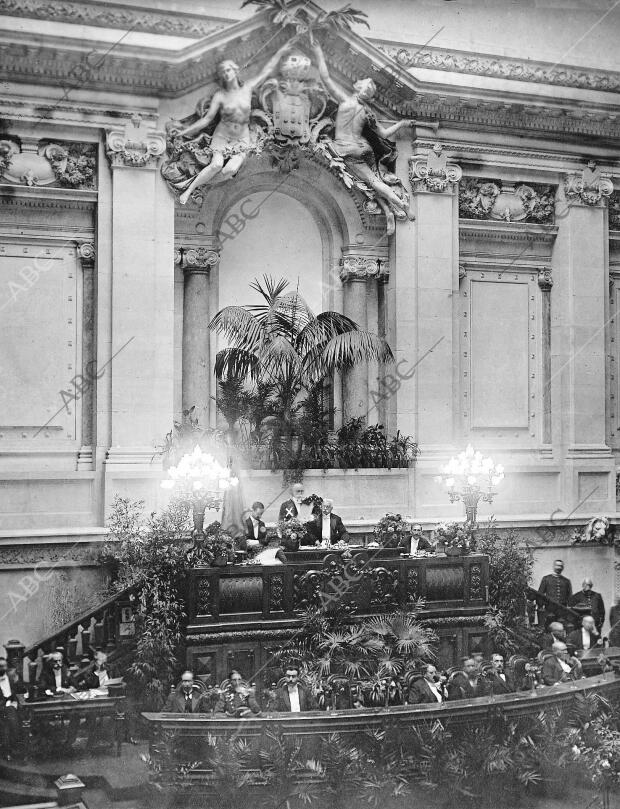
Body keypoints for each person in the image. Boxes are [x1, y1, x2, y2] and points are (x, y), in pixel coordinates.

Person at [177, 39, 296, 204]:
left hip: (242, 139)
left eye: (229, 70)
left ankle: (198, 183)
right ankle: (189, 190)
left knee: (231, 169)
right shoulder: (220, 95)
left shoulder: (246, 89)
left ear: (235, 71)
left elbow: (266, 71)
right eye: (223, 72)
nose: (226, 74)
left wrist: (280, 51)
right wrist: (184, 132)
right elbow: (207, 119)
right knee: (216, 166)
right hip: (222, 136)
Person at [311, 40, 414, 223]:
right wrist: (402, 123)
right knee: (375, 182)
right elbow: (383, 134)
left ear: (357, 87)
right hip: (365, 150)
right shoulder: (367, 112)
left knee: (371, 182)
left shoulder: (345, 101)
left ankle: (399, 205)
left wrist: (318, 50)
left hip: (345, 149)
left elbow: (326, 78)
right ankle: (395, 208)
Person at [0, 658, 25, 760]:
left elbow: (20, 690)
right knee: (10, 716)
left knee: (12, 717)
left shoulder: (10, 677)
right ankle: (14, 750)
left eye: (4, 666)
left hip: (13, 705)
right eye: (0, 666)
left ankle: (12, 750)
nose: (3, 668)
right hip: (1, 707)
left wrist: (17, 680)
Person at [538, 560, 572, 627]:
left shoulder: (566, 581)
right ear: (554, 566)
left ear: (563, 568)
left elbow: (570, 596)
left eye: (561, 566)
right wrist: (541, 606)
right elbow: (540, 594)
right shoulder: (546, 579)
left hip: (562, 610)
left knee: (561, 628)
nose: (559, 567)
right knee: (549, 627)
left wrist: (569, 608)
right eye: (557, 565)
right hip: (549, 609)